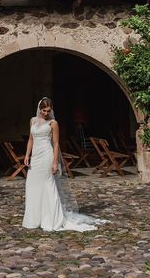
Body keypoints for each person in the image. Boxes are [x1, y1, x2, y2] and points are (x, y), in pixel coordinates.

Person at [22, 97, 106, 232]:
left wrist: (55, 162)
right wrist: (27, 155)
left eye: (48, 111)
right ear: (40, 109)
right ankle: (34, 218)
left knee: (48, 186)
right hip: (35, 158)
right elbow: (31, 139)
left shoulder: (53, 123)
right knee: (32, 185)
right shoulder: (33, 121)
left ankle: (52, 219)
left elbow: (56, 144)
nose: (46, 113)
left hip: (47, 156)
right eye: (43, 110)